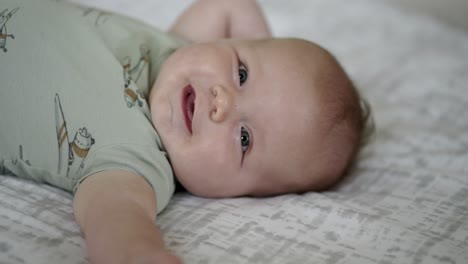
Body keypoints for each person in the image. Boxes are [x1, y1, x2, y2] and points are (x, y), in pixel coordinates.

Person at [0, 0, 373, 263]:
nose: (222, 102)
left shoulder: (135, 164)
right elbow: (232, 5)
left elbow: (113, 217)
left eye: (244, 139)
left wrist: (139, 253)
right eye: (241, 73)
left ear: (237, 195)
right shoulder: (181, 49)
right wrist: (265, 46)